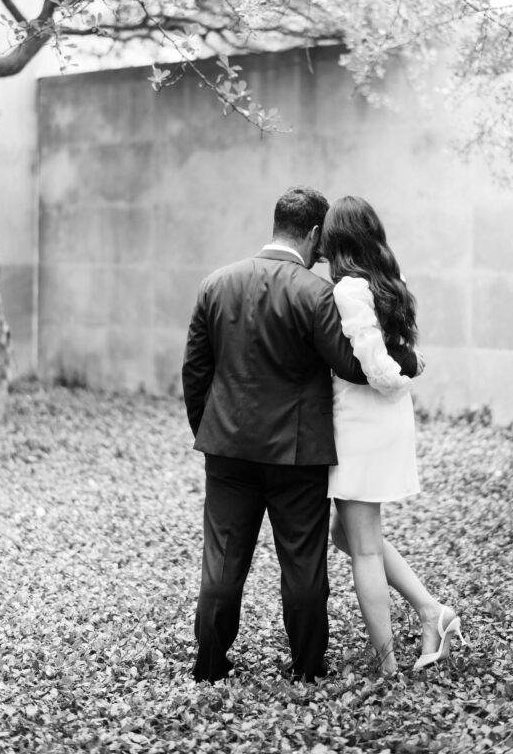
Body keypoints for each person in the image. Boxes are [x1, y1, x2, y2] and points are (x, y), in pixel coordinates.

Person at [182, 186, 417, 683]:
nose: (323, 254)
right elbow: (351, 368)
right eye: (322, 243)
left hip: (227, 449)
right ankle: (308, 666)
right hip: (297, 453)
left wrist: (209, 429)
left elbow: (195, 372)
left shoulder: (215, 284)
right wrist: (402, 358)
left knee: (222, 562)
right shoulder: (315, 294)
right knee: (304, 566)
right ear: (313, 233)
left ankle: (209, 664)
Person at [321, 195, 464, 675]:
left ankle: (387, 668)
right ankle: (432, 611)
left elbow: (380, 368)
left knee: (361, 546)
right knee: (347, 532)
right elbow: (409, 353)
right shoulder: (390, 283)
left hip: (362, 423)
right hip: (387, 422)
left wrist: (400, 375)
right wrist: (410, 370)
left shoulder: (348, 289)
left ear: (335, 239)